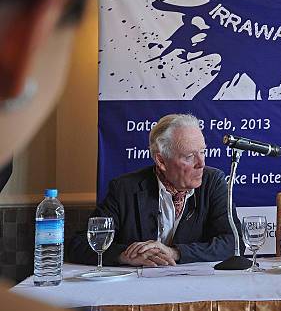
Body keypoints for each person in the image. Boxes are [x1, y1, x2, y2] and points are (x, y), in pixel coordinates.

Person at [0, 0, 161, 311]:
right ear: (26, 43)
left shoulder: (214, 185)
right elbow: (77, 248)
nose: (198, 163)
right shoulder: (128, 187)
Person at [68, 114, 242, 266]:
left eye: (203, 152)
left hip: (195, 288)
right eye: (189, 156)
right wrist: (125, 256)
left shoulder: (213, 182)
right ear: (161, 161)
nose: (201, 163)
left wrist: (175, 252)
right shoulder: (125, 189)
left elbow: (234, 242)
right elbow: (80, 244)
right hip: (136, 290)